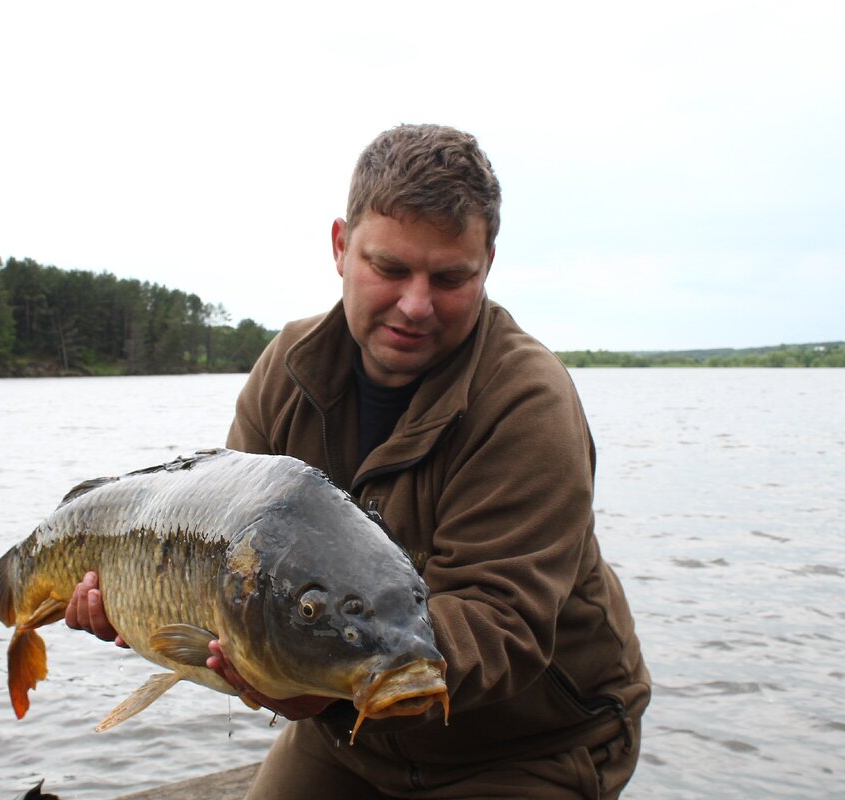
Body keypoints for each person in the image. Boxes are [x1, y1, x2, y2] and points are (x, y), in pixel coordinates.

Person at [66, 123, 651, 798]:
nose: (415, 305)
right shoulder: (288, 372)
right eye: (391, 268)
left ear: (487, 264)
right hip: (347, 736)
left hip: (530, 741)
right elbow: (228, 561)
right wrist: (140, 614)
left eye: (450, 277)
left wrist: (340, 681)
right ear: (342, 247)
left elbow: (503, 623)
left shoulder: (527, 401)